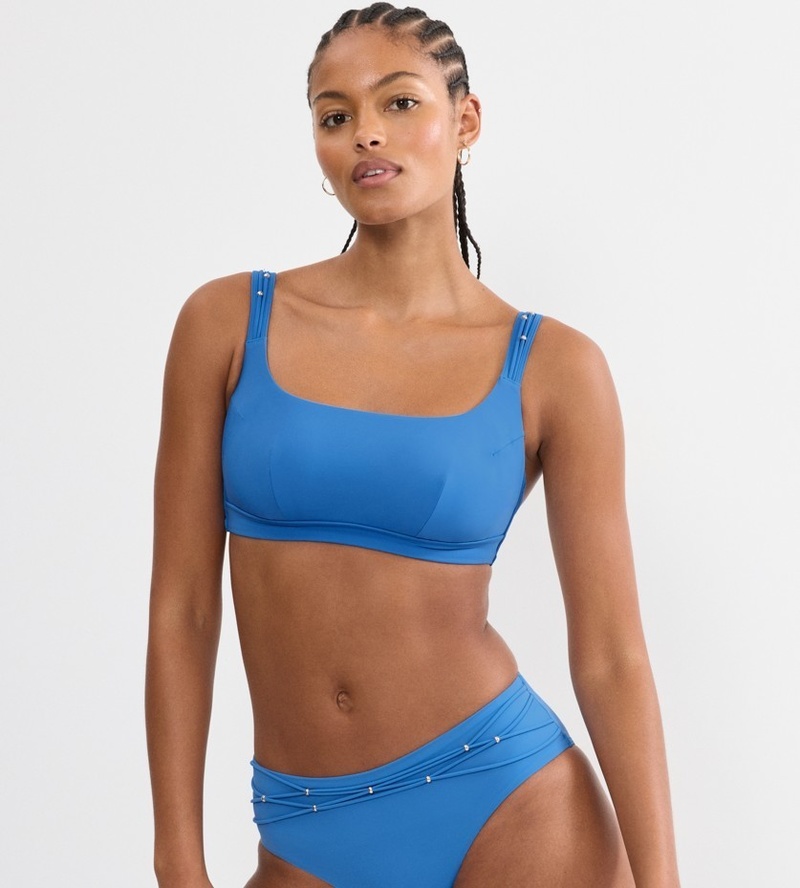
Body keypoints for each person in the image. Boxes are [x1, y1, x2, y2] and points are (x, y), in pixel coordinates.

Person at [145, 4, 681, 886]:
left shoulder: (554, 368)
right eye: (335, 115)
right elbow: (182, 610)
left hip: (510, 804)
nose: (366, 132)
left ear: (465, 121)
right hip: (302, 825)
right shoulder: (228, 324)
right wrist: (177, 860)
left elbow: (612, 655)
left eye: (399, 102)